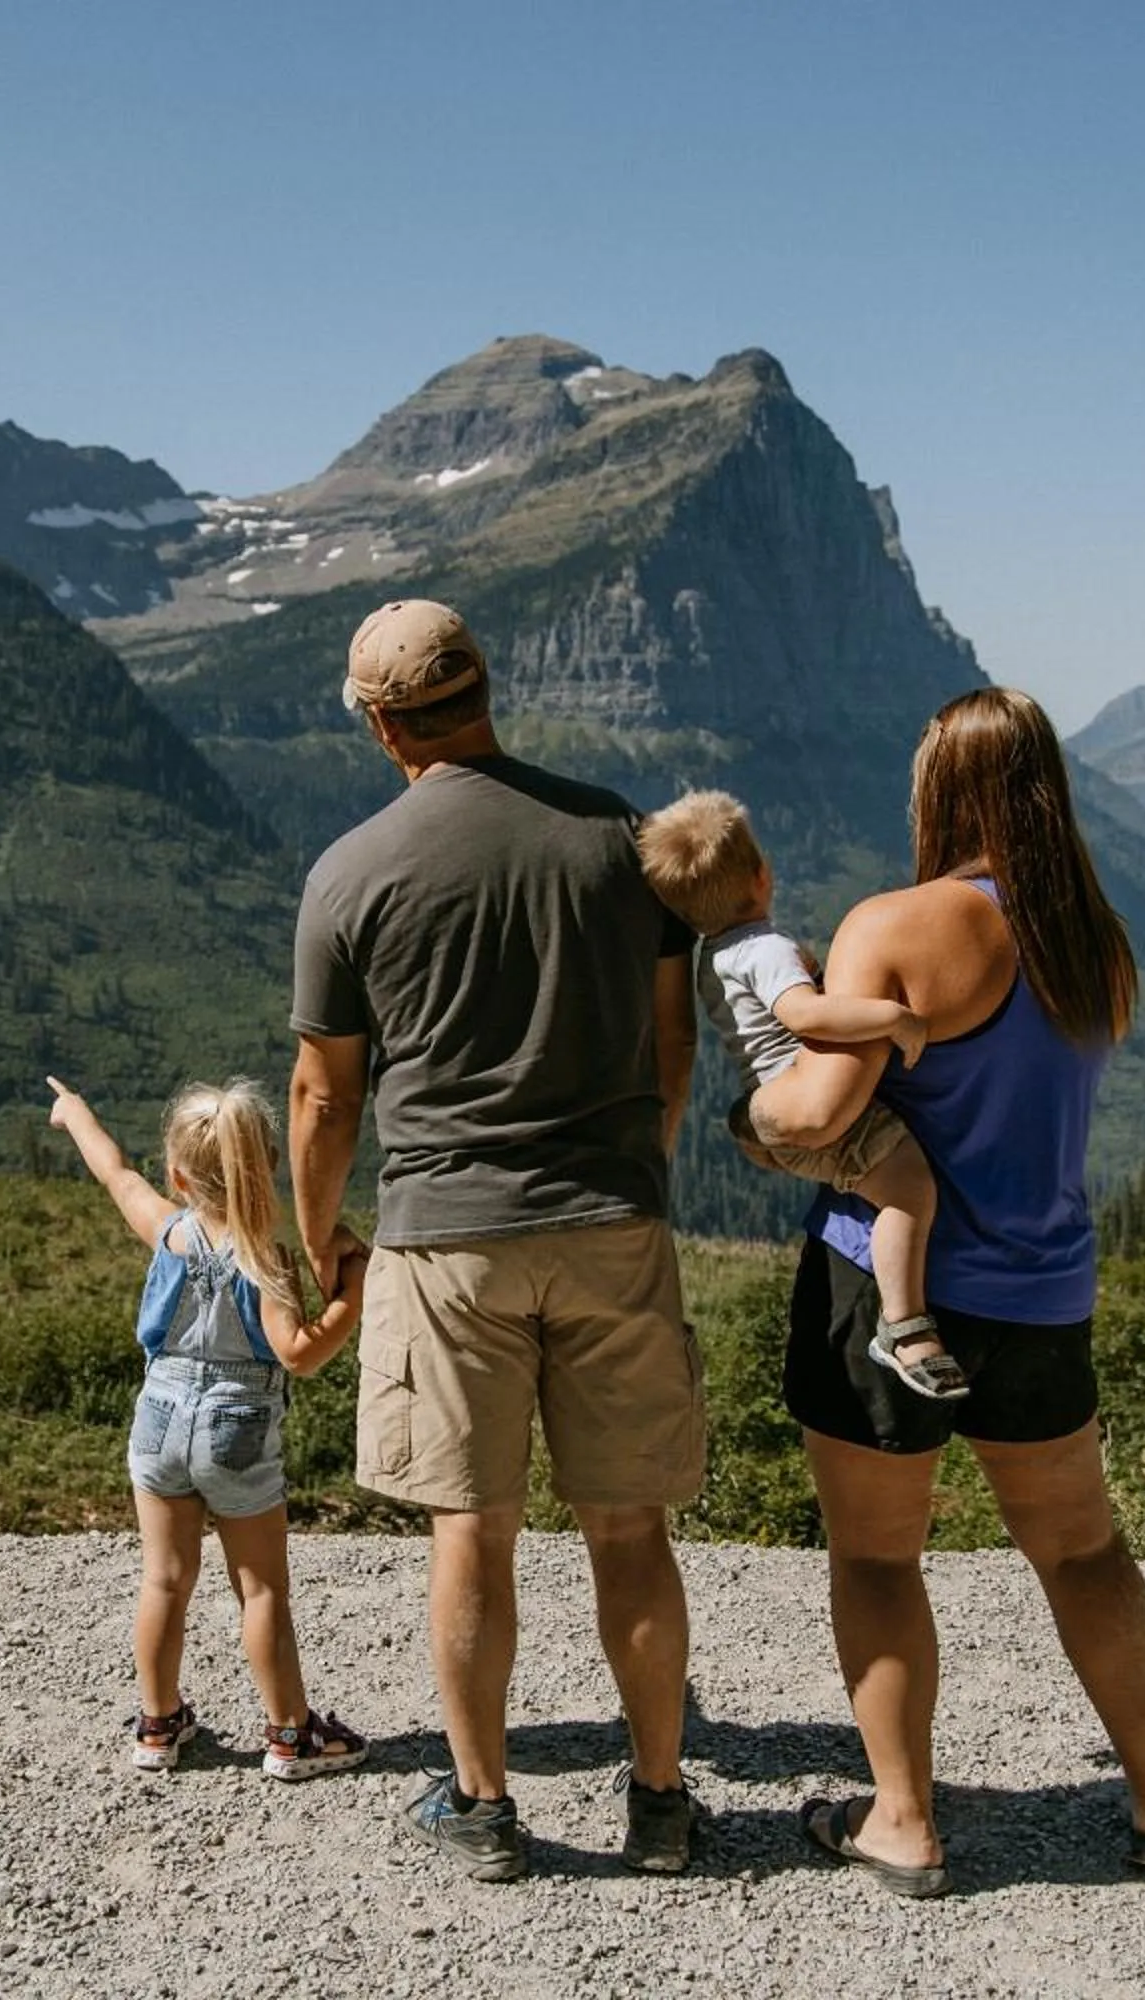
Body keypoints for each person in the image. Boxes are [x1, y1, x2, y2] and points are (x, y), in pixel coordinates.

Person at [749, 687, 1145, 1898]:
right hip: (1044, 1287)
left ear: (938, 787)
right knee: (1084, 1547)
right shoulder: (1091, 940)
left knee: (882, 1559)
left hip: (890, 1299)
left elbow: (815, 1114)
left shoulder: (893, 926)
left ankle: (903, 1818)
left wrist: (756, 1098)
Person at [288, 598, 703, 1883]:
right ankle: (661, 1800)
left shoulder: (352, 869)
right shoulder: (616, 835)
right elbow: (669, 1031)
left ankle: (484, 1805)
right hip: (610, 1219)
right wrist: (641, 1157)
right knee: (631, 1531)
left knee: (474, 1531)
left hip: (443, 1235)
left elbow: (324, 1095)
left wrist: (321, 1238)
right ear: (483, 689)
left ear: (378, 720)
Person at [45, 1073, 372, 1784]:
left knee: (164, 1580)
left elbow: (115, 1174)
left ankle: (159, 1723)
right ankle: (290, 1735)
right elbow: (299, 1353)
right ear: (269, 1169)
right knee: (260, 1592)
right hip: (238, 1430)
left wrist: (77, 1114)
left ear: (178, 1175)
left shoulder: (168, 1229)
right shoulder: (268, 1257)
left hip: (159, 1419)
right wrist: (354, 1292)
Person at [636, 789, 961, 1400]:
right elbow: (804, 1015)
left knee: (877, 1185)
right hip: (822, 1114)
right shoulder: (766, 949)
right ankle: (904, 1323)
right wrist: (891, 1017)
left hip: (773, 1111)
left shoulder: (716, 956)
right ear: (762, 874)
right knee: (909, 1192)